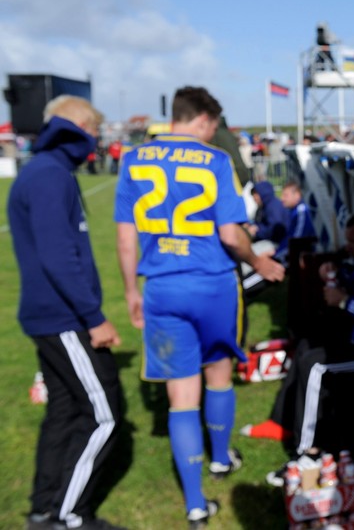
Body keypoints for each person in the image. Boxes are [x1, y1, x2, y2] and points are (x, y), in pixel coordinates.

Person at [114, 86, 285, 528]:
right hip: (212, 285)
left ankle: (194, 503)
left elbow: (125, 236)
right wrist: (258, 259)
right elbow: (230, 235)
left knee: (180, 397)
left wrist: (131, 291)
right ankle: (221, 459)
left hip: (162, 288)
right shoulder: (215, 160)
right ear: (205, 120)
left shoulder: (134, 158)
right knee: (219, 373)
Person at [8, 95, 126, 530]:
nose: (95, 140)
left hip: (52, 315)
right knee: (104, 415)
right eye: (93, 130)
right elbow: (58, 257)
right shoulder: (49, 175)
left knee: (63, 411)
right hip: (64, 318)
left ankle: (43, 507)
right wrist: (93, 317)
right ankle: (68, 514)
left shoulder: (46, 170)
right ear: (75, 126)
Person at [241, 211, 354, 455]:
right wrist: (332, 272)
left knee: (315, 365)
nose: (348, 247)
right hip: (352, 340)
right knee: (305, 346)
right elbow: (351, 285)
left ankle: (305, 450)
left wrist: (345, 302)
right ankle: (280, 422)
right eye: (347, 241)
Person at [244, 181, 288, 247]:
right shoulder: (263, 207)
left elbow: (275, 230)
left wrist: (257, 231)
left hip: (279, 243)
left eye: (255, 195)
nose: (254, 198)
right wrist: (250, 226)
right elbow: (260, 223)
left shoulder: (274, 206)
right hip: (268, 240)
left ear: (263, 193)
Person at [278, 176, 316, 252]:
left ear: (297, 195)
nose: (282, 199)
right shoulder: (293, 211)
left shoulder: (301, 211)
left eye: (286, 195)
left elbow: (296, 240)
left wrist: (277, 254)